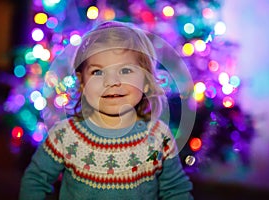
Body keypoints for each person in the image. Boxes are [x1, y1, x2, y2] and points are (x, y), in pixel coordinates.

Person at [19, 21, 193, 200]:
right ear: (82, 82)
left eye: (125, 70)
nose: (111, 82)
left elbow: (176, 191)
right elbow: (35, 181)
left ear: (147, 81)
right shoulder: (65, 136)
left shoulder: (158, 137)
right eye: (97, 72)